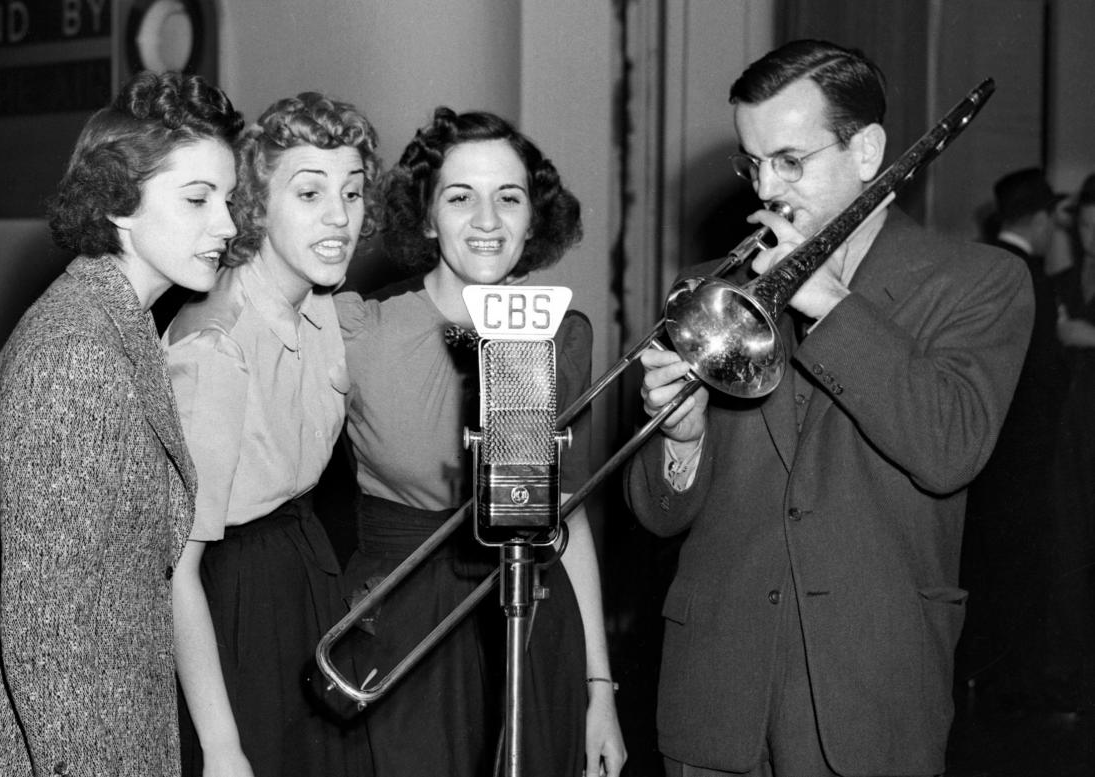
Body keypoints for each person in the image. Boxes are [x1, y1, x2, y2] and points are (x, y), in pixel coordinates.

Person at [624, 39, 1032, 777]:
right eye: (753, 164)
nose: (766, 190)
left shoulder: (980, 281)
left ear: (868, 150)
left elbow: (950, 447)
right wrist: (679, 439)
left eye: (790, 160)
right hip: (716, 697)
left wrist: (830, 303)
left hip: (871, 699)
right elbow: (658, 515)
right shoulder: (706, 292)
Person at [0, 71, 241, 776]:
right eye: (197, 198)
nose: (226, 224)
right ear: (118, 203)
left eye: (226, 198)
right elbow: (50, 640)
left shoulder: (116, 326)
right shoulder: (78, 352)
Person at [336, 108, 626, 777]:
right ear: (428, 215)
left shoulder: (559, 333)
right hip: (404, 626)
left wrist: (599, 690)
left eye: (510, 197)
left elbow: (569, 513)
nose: (488, 220)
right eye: (461, 197)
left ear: (534, 217)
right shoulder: (359, 328)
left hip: (532, 620)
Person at [164, 92, 379, 777]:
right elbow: (176, 574)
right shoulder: (214, 349)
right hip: (229, 605)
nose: (340, 217)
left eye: (352, 191)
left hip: (301, 574)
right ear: (256, 202)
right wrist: (222, 746)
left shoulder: (324, 309)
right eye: (310, 192)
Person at [960, 167, 1067, 712]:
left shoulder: (975, 266)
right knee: (1023, 574)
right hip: (1024, 459)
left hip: (978, 454)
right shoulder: (1034, 278)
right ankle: (1017, 687)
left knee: (980, 570)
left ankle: (978, 676)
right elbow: (1043, 381)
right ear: (1042, 218)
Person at [1043, 172, 1095, 713]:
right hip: (1068, 442)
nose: (1093, 236)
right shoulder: (1063, 279)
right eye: (1085, 225)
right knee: (1067, 555)